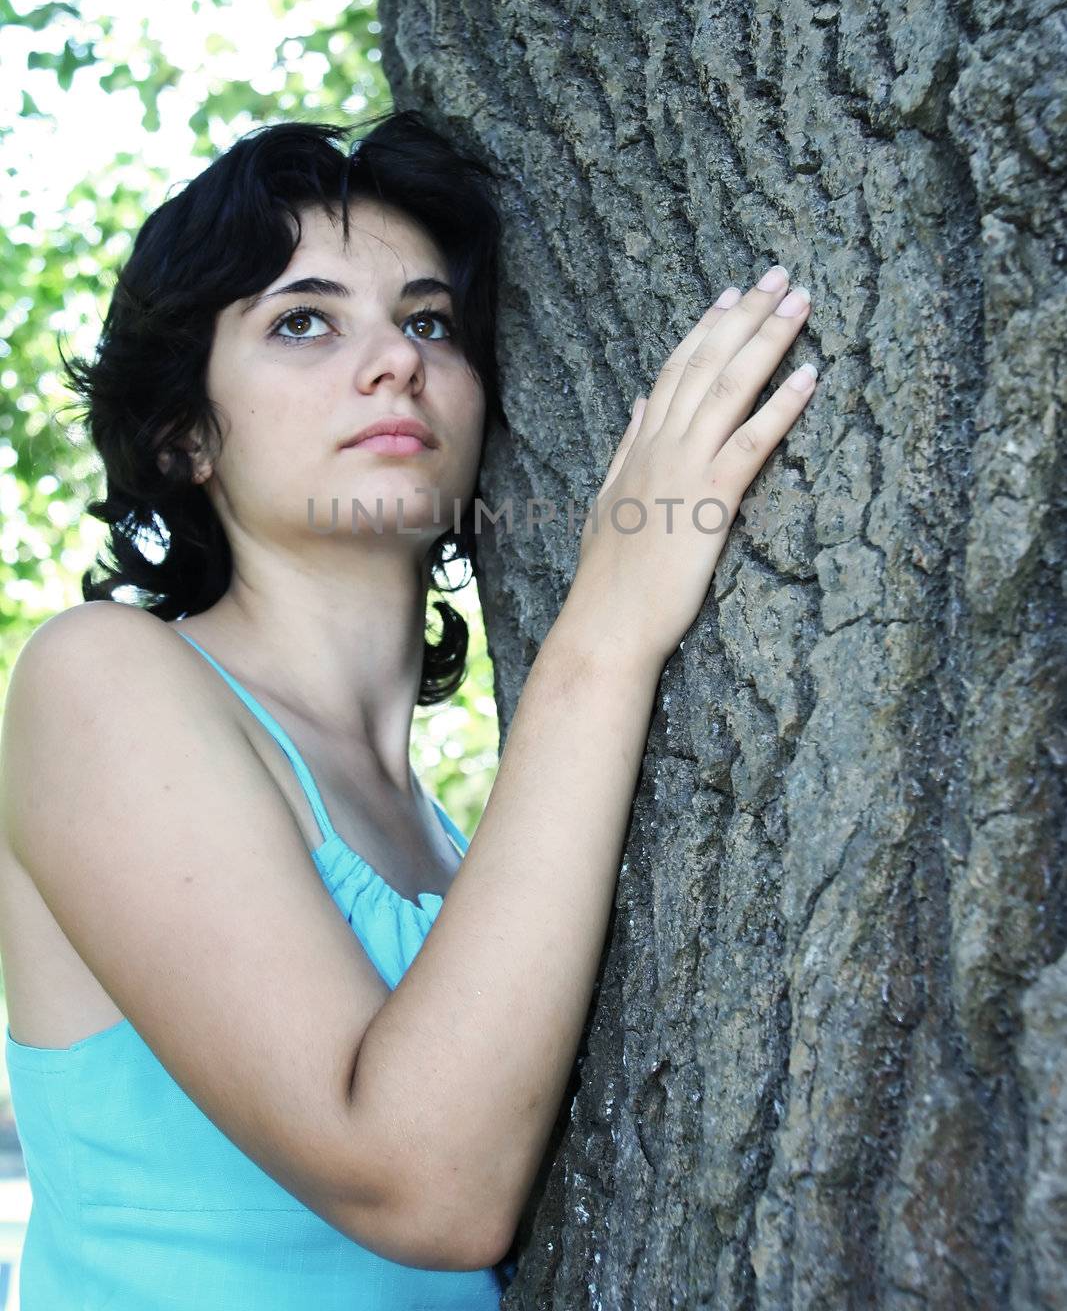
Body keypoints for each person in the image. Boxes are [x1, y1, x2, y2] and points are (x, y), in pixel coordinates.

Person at [0, 109, 817, 1308]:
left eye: (427, 320)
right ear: (182, 434)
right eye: (302, 322)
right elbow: (420, 1185)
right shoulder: (99, 678)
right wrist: (606, 625)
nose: (393, 361)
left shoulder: (452, 842)